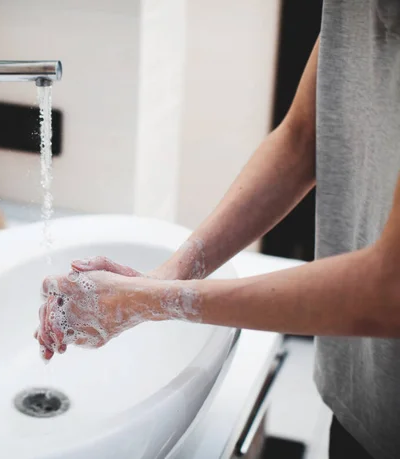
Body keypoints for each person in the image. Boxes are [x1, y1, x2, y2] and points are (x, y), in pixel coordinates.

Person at [35, 2, 400, 458]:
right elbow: (304, 137)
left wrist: (142, 301)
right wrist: (167, 278)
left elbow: (390, 289)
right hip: (361, 405)